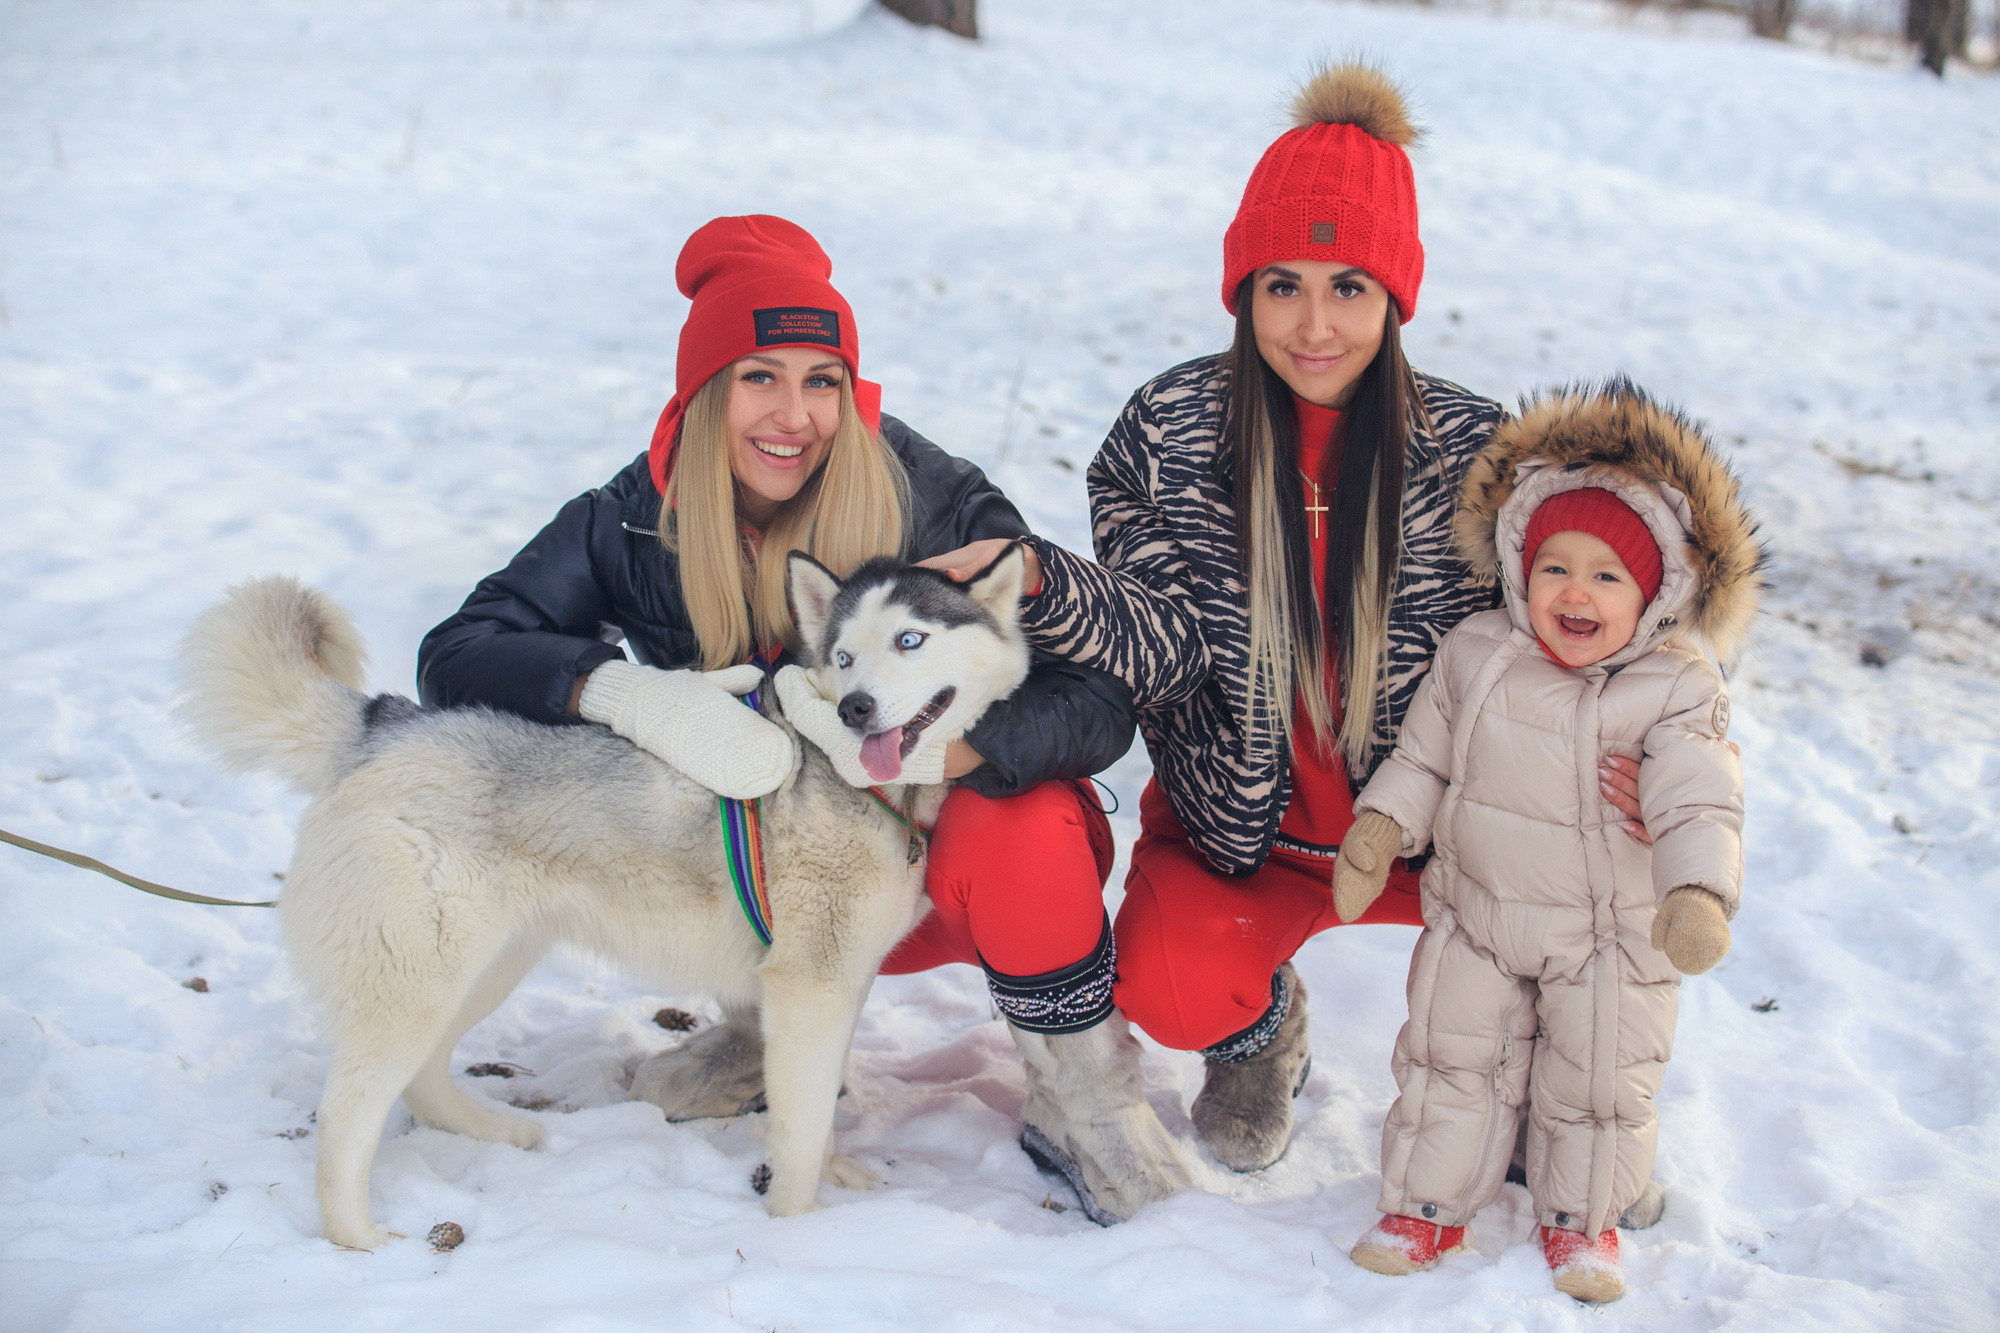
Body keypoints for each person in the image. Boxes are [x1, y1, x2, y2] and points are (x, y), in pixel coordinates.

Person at [418, 215, 1193, 1222]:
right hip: (756, 887)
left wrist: (943, 748)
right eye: (758, 377)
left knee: (1021, 813)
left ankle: (1084, 1098)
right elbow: (463, 646)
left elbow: (1089, 698)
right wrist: (619, 690)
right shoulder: (634, 513)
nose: (793, 415)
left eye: (821, 380)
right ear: (704, 392)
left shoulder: (930, 498)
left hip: (925, 879)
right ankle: (762, 1035)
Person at [975, 62, 1661, 1193]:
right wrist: (1044, 582)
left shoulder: (1475, 451)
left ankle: (1565, 1096)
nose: (1311, 322)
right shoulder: (1165, 430)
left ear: (1395, 295)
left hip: (1434, 827)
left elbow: (1568, 621)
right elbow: (1166, 641)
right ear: (1240, 288)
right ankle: (1259, 1030)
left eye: (1348, 286)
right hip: (1240, 831)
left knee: (1571, 914)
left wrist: (1649, 734)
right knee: (1168, 988)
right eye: (1279, 283)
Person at [1334, 380, 1756, 1302]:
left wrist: (1695, 892)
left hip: (1610, 931)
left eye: (1607, 576)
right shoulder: (1479, 652)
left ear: (1653, 592)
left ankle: (1583, 1221)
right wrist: (1380, 830)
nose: (1576, 591)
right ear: (1520, 565)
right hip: (1478, 914)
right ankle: (1425, 1205)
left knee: (1598, 1079)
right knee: (1451, 1059)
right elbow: (1424, 754)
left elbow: (1698, 799)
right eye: (1555, 565)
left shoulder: (1676, 687)